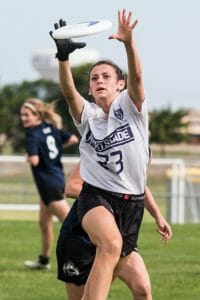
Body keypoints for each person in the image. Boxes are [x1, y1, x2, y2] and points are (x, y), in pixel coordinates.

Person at [50, 8, 158, 299]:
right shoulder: (89, 117)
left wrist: (128, 43)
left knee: (106, 280)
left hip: (132, 204)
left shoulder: (131, 110)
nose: (99, 80)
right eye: (94, 78)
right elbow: (69, 93)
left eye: (106, 76)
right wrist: (63, 59)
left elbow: (136, 74)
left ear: (119, 84)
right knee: (110, 244)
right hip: (96, 198)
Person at [56, 162, 172, 300]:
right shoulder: (99, 148)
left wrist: (158, 216)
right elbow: (71, 187)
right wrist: (106, 198)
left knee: (142, 289)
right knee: (85, 297)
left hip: (117, 236)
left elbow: (138, 186)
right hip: (80, 237)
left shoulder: (139, 149)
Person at [20, 98, 79, 270]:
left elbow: (34, 160)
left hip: (48, 184)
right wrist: (56, 148)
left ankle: (89, 258)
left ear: (37, 115)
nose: (23, 118)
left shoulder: (32, 133)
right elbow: (74, 139)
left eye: (27, 115)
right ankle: (44, 260)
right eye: (22, 115)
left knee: (71, 225)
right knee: (44, 223)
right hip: (56, 179)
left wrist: (28, 157)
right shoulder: (51, 128)